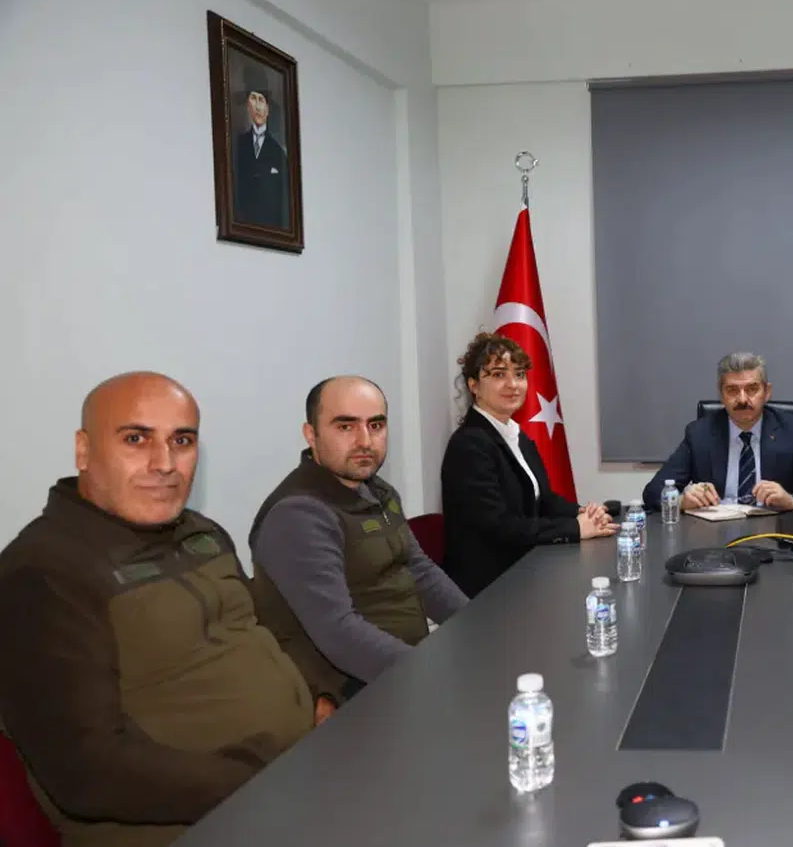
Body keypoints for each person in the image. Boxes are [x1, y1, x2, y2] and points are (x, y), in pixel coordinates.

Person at [0, 372, 318, 847]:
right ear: (83, 450)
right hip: (192, 822)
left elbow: (262, 631)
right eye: (136, 439)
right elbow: (88, 770)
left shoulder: (202, 532)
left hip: (298, 776)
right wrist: (263, 786)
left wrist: (317, 696)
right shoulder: (44, 572)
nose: (164, 463)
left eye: (181, 441)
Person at [249, 377, 468, 704]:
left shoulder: (378, 491)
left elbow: (420, 571)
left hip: (406, 669)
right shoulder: (299, 514)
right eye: (346, 427)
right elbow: (339, 632)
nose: (365, 440)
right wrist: (429, 672)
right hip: (356, 692)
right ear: (311, 434)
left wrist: (477, 628)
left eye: (375, 425)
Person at [441, 333, 618, 598]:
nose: (513, 384)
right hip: (491, 588)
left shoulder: (516, 435)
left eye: (520, 374)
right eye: (499, 374)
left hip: (525, 570)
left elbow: (543, 500)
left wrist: (584, 513)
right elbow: (499, 526)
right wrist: (575, 528)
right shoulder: (469, 445)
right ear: (474, 385)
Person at [641, 352, 793, 512]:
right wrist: (681, 501)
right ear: (721, 395)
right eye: (732, 390)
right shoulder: (699, 433)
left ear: (767, 392)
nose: (742, 399)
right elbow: (653, 492)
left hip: (777, 531)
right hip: (714, 534)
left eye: (752, 389)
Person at [232, 65, 289, 228]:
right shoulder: (239, 145)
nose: (257, 106)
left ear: (268, 109)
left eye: (261, 100)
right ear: (248, 105)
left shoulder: (278, 152)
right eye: (253, 98)